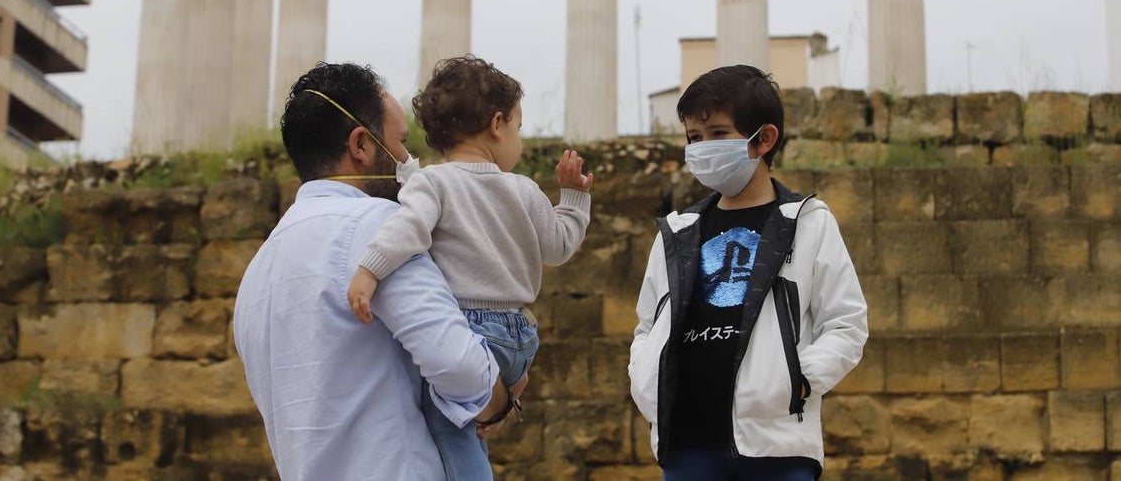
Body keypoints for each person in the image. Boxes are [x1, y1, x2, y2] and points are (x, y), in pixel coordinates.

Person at [233, 61, 521, 481]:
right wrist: (501, 398)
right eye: (401, 142)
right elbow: (459, 366)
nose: (408, 158)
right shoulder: (378, 226)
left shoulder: (259, 268)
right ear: (361, 145)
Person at [346, 55, 594, 480]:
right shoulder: (525, 190)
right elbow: (559, 247)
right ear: (497, 125)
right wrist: (572, 198)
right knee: (471, 427)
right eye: (519, 127)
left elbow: (409, 228)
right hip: (520, 338)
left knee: (451, 433)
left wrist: (369, 271)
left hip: (471, 332)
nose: (519, 138)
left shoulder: (433, 183)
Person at [628, 65, 868, 480]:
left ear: (764, 139)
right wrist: (646, 383)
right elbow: (646, 327)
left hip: (777, 450)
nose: (702, 148)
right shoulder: (677, 233)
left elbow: (846, 323)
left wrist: (798, 381)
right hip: (687, 446)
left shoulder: (808, 223)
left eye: (718, 134)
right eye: (693, 138)